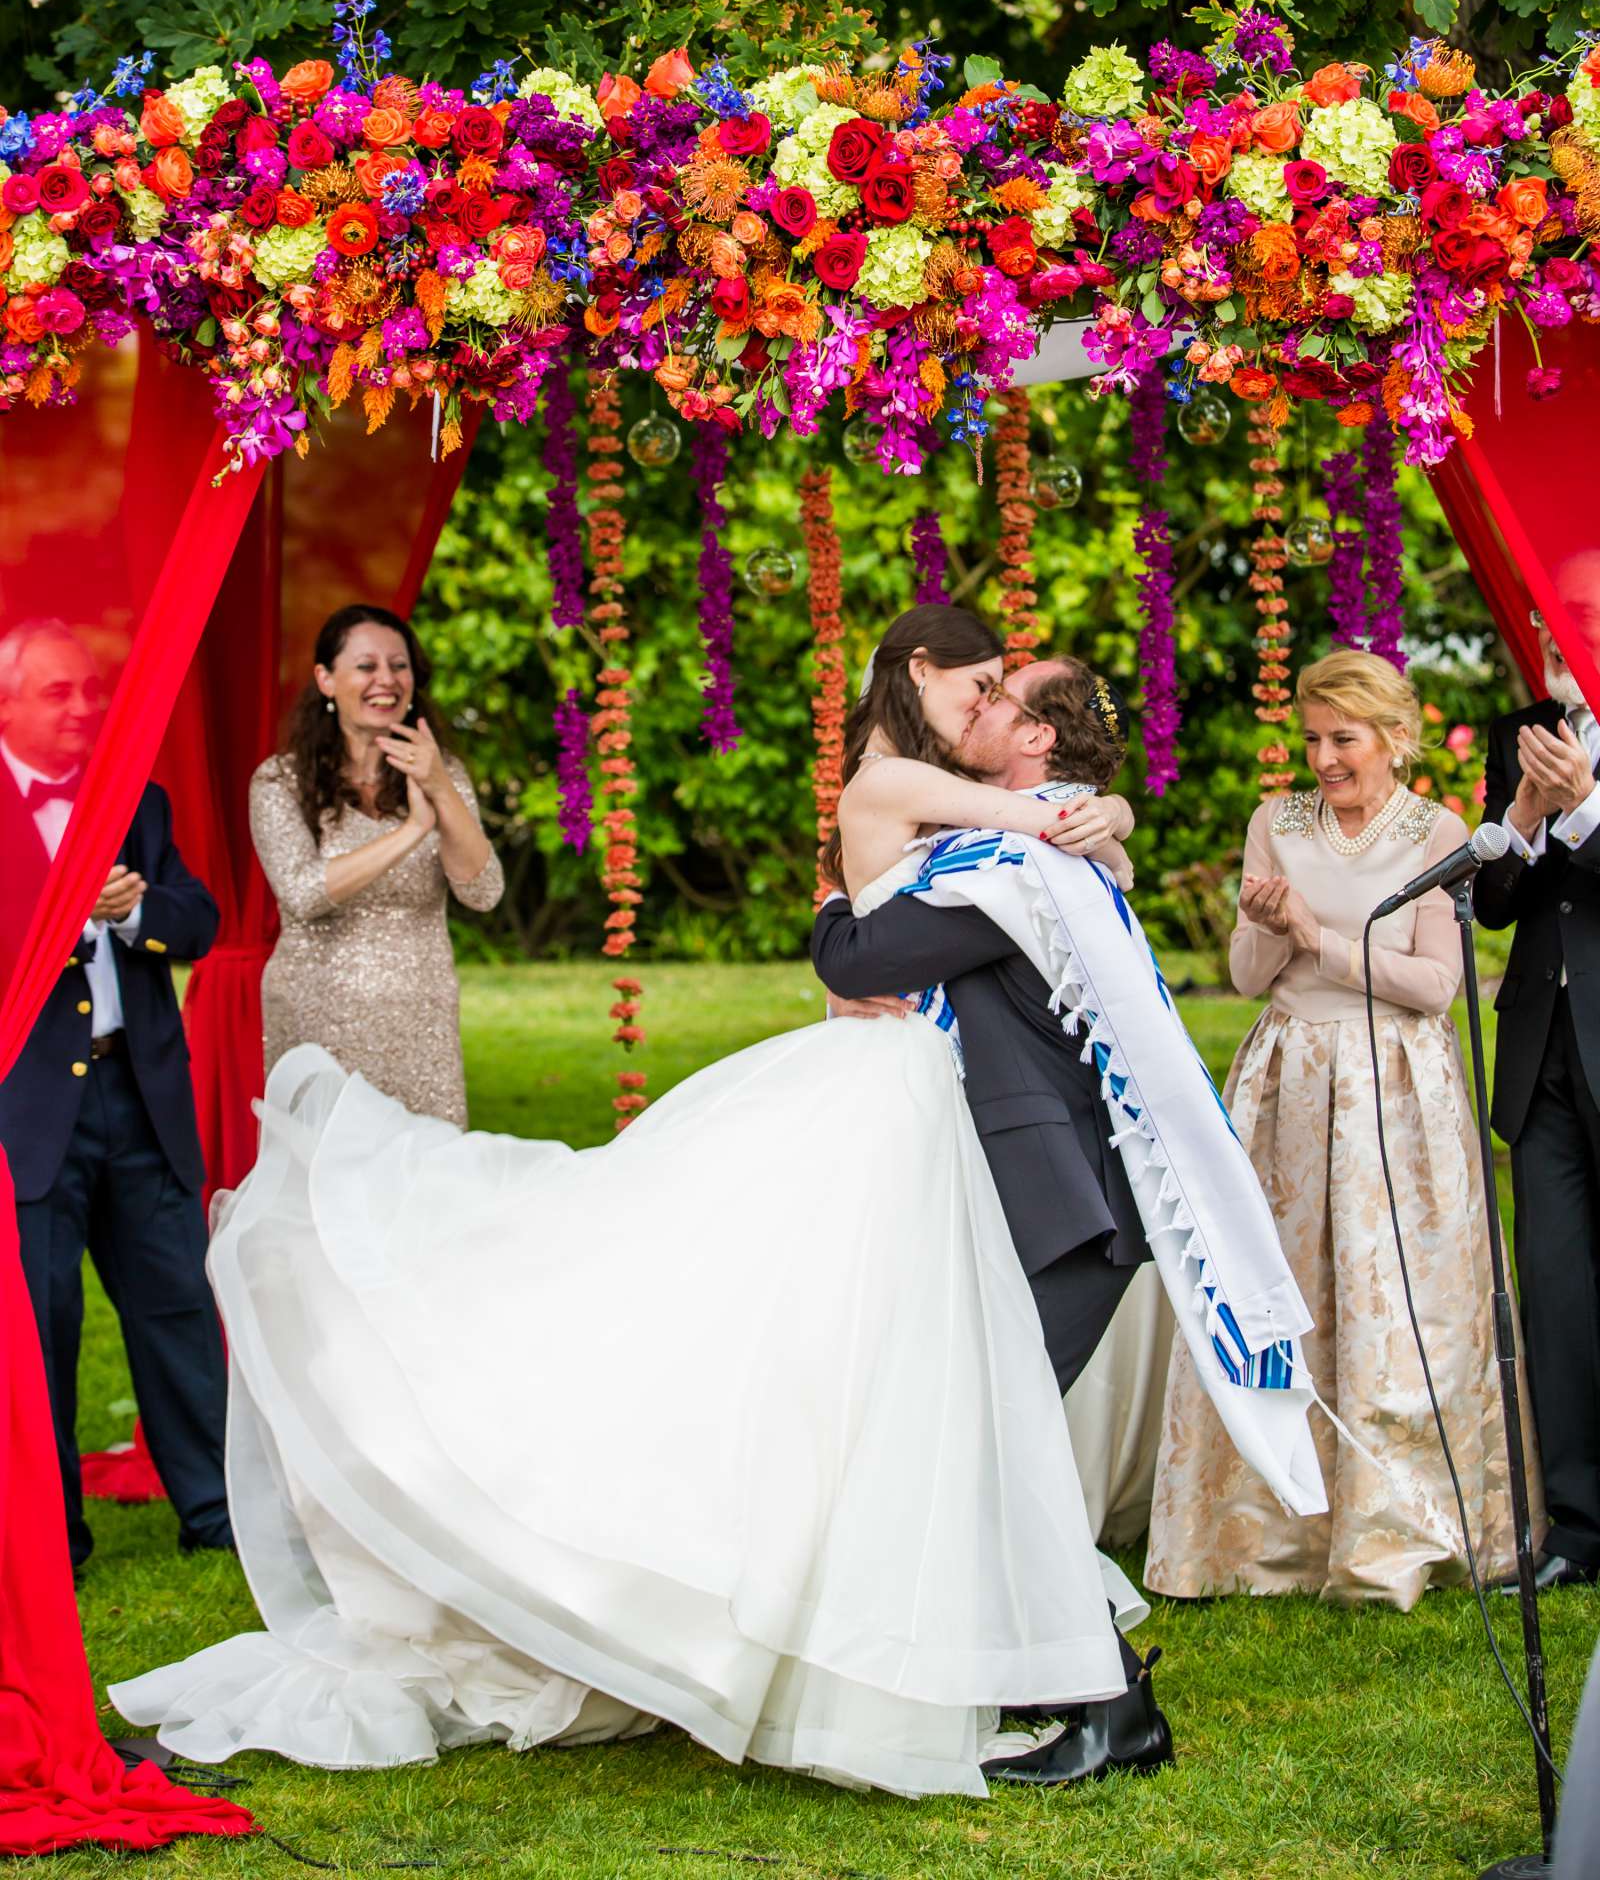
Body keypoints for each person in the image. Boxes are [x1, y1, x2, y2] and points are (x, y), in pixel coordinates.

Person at [113, 606, 1146, 1799]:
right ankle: (960, 1649)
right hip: (878, 1090)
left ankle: (959, 1643)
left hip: (906, 1091)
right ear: (921, 674)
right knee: (848, 1366)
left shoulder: (916, 773)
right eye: (979, 689)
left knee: (864, 1375)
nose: (988, 710)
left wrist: (1104, 814)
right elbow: (1026, 831)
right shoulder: (900, 770)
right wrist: (1087, 811)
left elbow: (1049, 841)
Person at [811, 642, 1173, 1787]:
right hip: (1055, 1193)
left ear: (1037, 742)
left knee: (988, 1438)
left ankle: (1109, 1706)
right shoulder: (1028, 841)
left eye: (1001, 699)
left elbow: (867, 949)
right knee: (985, 1437)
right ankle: (1055, 1675)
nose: (979, 707)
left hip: (1074, 1206)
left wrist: (830, 902)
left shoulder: (1025, 866)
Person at [1145, 648, 1527, 1608]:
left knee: (1400, 1302)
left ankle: (1400, 1529)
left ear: (1394, 738)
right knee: (1286, 1293)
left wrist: (1321, 938)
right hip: (1288, 1084)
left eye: (1342, 739)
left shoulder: (1438, 832)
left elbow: (1437, 988)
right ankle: (1268, 1536)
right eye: (1311, 738)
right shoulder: (1273, 824)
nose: (1322, 758)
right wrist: (1272, 926)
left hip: (1397, 1093)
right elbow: (1243, 975)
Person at [0, 618, 229, 1572]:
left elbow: (199, 919)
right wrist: (62, 917)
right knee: (41, 1327)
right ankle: (54, 1537)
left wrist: (134, 907)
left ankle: (219, 1514)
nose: (84, 709)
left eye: (89, 690)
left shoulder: (139, 799)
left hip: (142, 1098)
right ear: (5, 704)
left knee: (176, 1304)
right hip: (30, 1110)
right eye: (58, 694)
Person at [249, 604, 504, 1127]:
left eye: (399, 665)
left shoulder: (443, 773)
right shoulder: (279, 782)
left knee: (422, 1182)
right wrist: (412, 831)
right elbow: (302, 894)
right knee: (323, 1182)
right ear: (326, 679)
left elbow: (484, 892)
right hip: (316, 1015)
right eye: (366, 666)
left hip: (420, 1018)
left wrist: (437, 788)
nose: (386, 680)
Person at [1475, 598, 1600, 1589]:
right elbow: (1491, 901)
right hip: (1539, 1049)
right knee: (1556, 1291)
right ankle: (1575, 1526)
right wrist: (1522, 814)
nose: (1557, 647)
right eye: (1552, 628)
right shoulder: (1523, 729)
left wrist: (1587, 806)